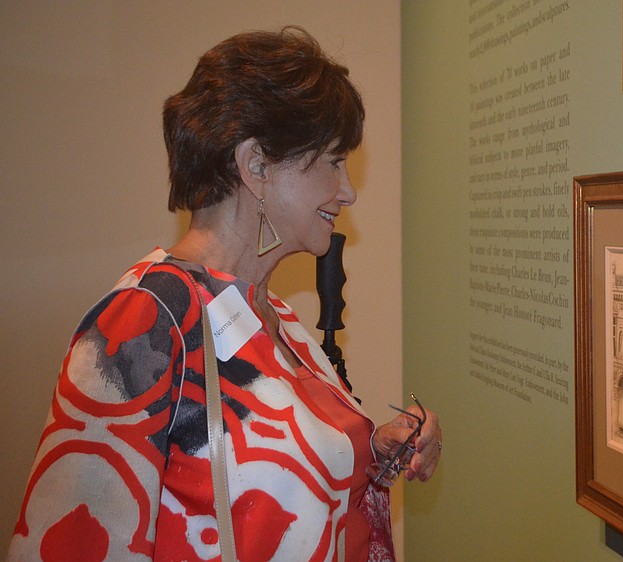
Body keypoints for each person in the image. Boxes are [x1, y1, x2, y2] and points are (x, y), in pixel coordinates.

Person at [8, 27, 441, 562]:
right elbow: (71, 544)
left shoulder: (271, 312)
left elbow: (266, 474)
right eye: (333, 161)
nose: (347, 190)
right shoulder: (142, 321)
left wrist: (377, 450)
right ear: (255, 164)